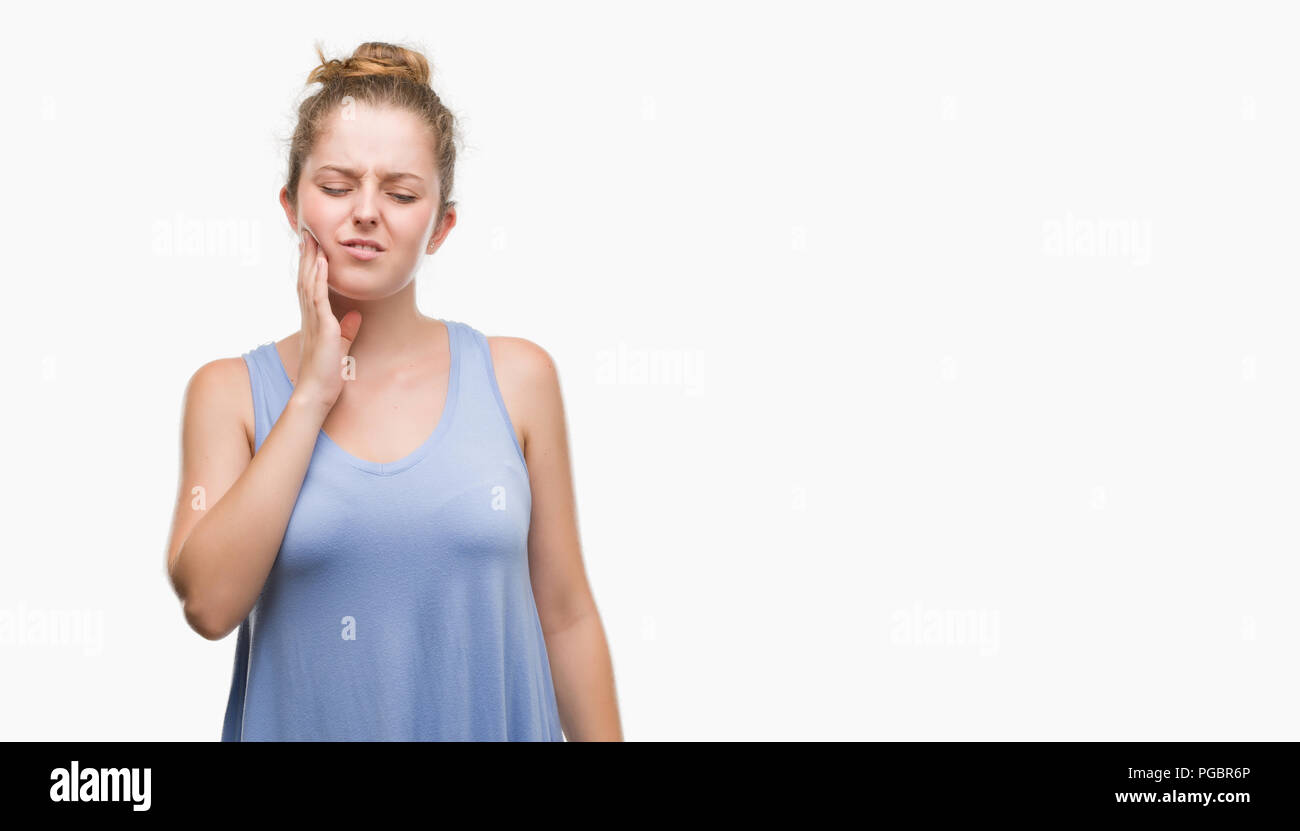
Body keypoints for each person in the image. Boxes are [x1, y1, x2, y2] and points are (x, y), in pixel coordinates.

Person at [164, 41, 621, 741]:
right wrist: (314, 392)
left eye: (401, 193)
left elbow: (566, 613)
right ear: (292, 205)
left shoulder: (519, 379)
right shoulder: (228, 393)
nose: (367, 213)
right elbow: (209, 603)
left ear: (441, 225)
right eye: (338, 186)